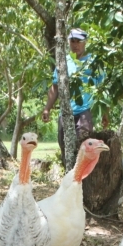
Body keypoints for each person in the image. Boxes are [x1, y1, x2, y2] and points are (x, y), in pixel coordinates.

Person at [42, 28, 107, 166]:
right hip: (65, 112)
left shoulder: (95, 63)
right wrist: (47, 108)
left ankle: (84, 184)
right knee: (65, 149)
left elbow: (103, 89)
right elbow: (55, 87)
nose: (75, 45)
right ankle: (69, 181)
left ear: (85, 42)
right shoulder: (63, 62)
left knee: (83, 149)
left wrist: (105, 113)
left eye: (79, 41)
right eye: (72, 41)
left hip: (85, 111)